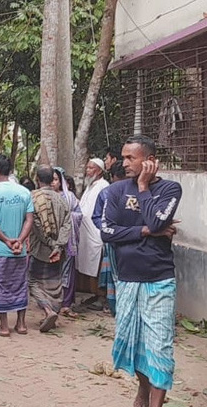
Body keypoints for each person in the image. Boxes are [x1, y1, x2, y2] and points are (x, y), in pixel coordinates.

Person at [98, 136, 182, 407]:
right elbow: (107, 232)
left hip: (159, 280)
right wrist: (146, 231)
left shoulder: (170, 189)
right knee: (132, 343)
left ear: (150, 161)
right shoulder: (115, 191)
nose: (124, 163)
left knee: (159, 345)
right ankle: (143, 391)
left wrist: (144, 187)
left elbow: (158, 220)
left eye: (130, 158)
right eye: (123, 157)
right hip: (127, 280)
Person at [0, 154, 34, 336]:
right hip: (20, 249)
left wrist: (5, 240)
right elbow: (29, 220)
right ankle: (21, 324)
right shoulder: (24, 192)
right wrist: (19, 240)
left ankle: (4, 326)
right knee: (20, 284)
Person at [28, 166, 72, 332]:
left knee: (32, 281)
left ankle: (48, 310)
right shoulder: (62, 199)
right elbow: (67, 224)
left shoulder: (33, 197)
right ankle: (53, 312)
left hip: (40, 249)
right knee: (56, 283)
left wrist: (51, 243)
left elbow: (37, 225)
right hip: (58, 251)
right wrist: (59, 245)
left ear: (37, 179)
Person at [77, 158, 110, 310]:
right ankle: (95, 294)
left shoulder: (103, 186)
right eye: (87, 168)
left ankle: (102, 296)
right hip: (85, 232)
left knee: (97, 263)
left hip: (95, 232)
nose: (88, 171)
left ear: (99, 171)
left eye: (91, 168)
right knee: (87, 262)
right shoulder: (90, 186)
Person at [94, 160, 127, 316]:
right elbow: (97, 217)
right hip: (117, 241)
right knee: (118, 276)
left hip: (121, 240)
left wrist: (108, 230)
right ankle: (118, 308)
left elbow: (96, 217)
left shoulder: (107, 192)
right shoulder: (106, 193)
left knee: (117, 276)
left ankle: (119, 308)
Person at [53, 167, 83, 318]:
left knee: (67, 272)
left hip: (68, 241)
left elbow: (79, 215)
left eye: (56, 179)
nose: (53, 182)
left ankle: (66, 304)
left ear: (61, 181)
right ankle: (51, 304)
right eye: (51, 179)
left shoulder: (69, 197)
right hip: (51, 240)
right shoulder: (45, 196)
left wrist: (67, 217)